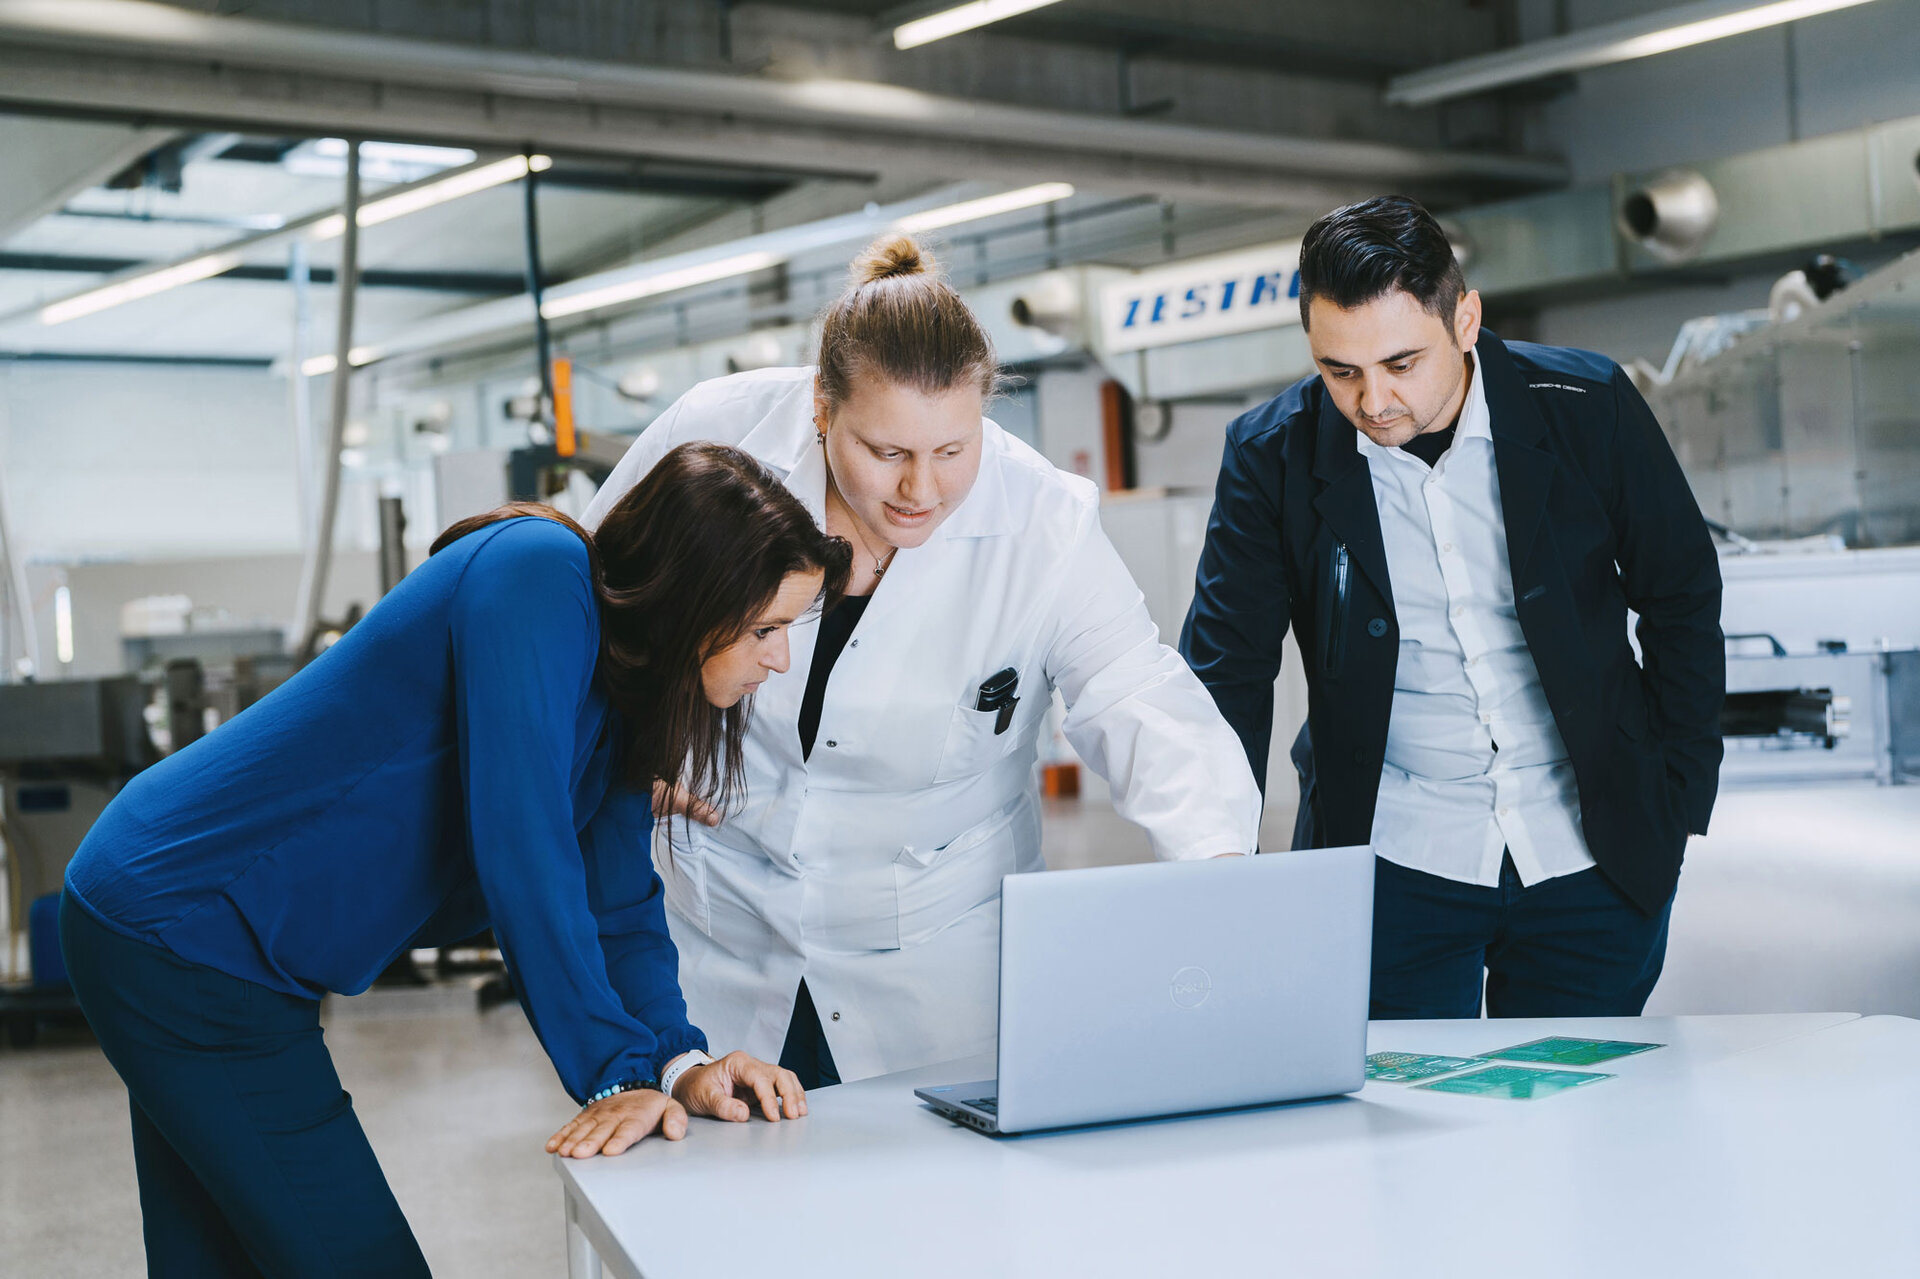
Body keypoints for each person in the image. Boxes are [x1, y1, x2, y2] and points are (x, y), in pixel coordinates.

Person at [60, 443, 849, 1278]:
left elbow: (617, 904)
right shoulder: (540, 575)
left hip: (194, 933)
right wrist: (614, 1077)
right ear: (696, 598)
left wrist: (676, 1061)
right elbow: (523, 841)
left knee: (215, 1259)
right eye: (766, 627)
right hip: (184, 925)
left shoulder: (627, 691)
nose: (778, 658)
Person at [582, 234, 1261, 1089]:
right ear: (822, 408)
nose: (922, 491)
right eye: (886, 453)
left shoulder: (1042, 521)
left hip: (939, 971)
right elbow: (588, 604)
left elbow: (1136, 691)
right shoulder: (718, 434)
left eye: (953, 451)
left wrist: (1220, 872)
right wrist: (624, 744)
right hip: (721, 935)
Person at [1180, 196, 1724, 1021]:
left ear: (1465, 318)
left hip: (1591, 855)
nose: (1374, 401)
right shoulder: (1272, 457)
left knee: (1578, 1126)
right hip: (1390, 861)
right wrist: (1221, 865)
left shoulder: (1586, 405)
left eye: (1403, 362)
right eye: (1341, 371)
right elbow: (1228, 671)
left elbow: (1681, 594)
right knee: (1397, 1135)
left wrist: (1679, 799)